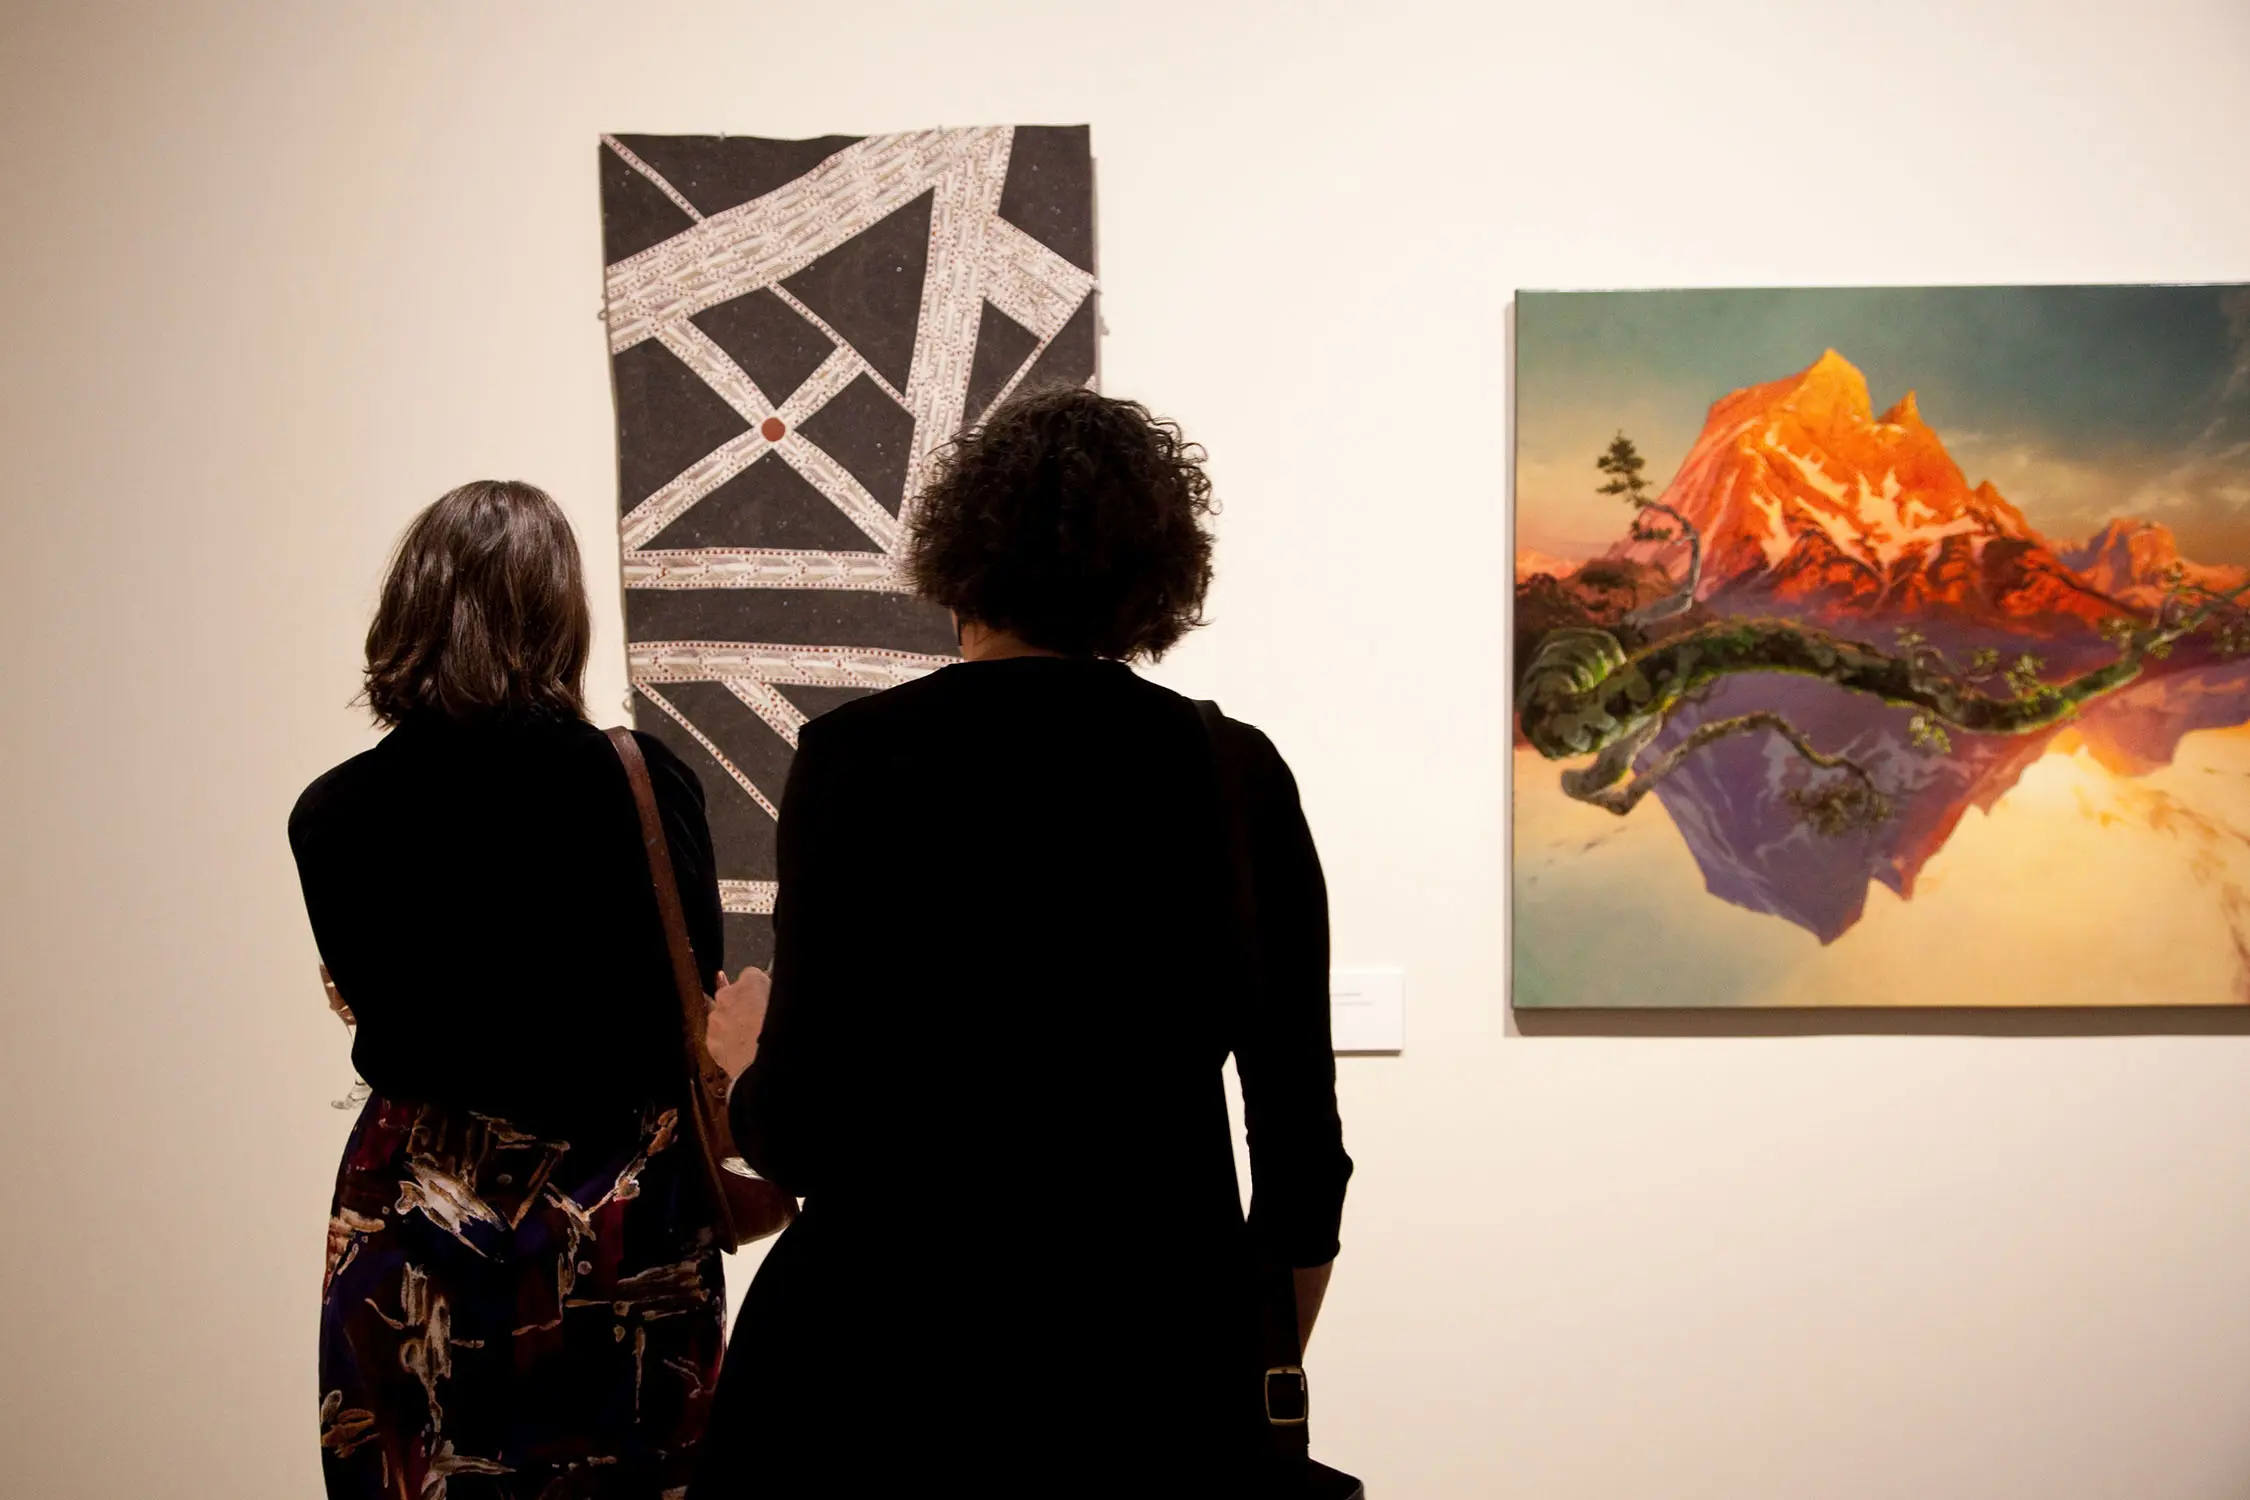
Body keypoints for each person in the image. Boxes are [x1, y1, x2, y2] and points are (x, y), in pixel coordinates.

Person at [689, 389, 1353, 1496]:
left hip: (878, 1383)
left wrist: (750, 1060)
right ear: (1153, 576)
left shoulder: (857, 762)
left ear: (964, 558)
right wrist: (1240, 1372)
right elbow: (1301, 1160)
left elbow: (800, 1136)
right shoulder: (1232, 774)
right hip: (1149, 1385)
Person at [289, 480, 734, 1498]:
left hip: (417, 1213)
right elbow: (688, 997)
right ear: (557, 614)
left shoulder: (331, 815)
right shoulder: (641, 777)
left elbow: (377, 1002)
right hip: (625, 1216)